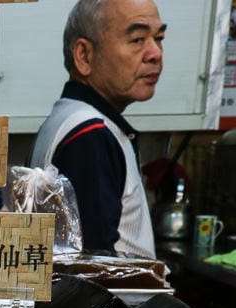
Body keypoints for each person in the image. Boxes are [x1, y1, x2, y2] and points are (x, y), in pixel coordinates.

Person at [30, 0, 165, 258]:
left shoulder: (70, 116)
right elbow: (93, 272)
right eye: (137, 39)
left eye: (158, 38)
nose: (155, 53)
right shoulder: (90, 134)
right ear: (84, 55)